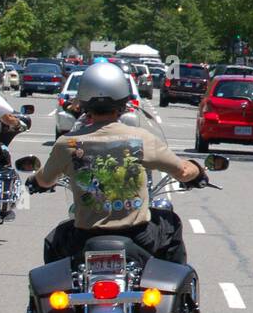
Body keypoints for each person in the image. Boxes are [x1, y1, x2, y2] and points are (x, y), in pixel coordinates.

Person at [29, 61, 203, 265]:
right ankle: (174, 293)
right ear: (122, 99)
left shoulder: (67, 143)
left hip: (83, 238)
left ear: (84, 100)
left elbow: (45, 180)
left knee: (53, 241)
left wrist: (35, 180)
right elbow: (183, 171)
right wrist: (198, 170)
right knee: (171, 223)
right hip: (140, 237)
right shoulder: (141, 138)